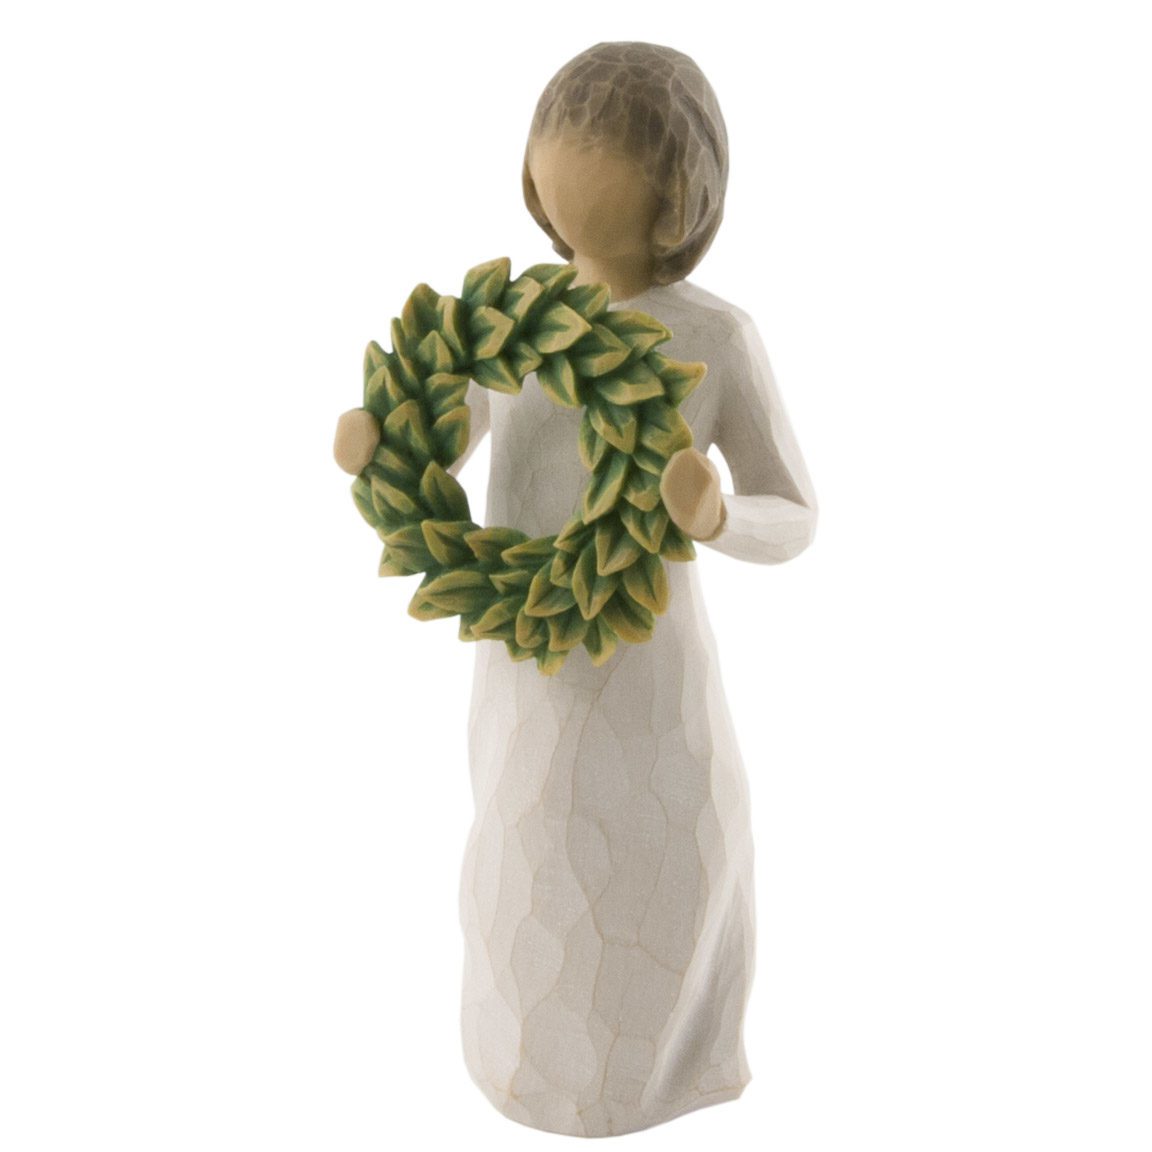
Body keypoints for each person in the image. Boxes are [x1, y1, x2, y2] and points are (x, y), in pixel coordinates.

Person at [335, 41, 817, 1137]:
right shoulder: (518, 320)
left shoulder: (715, 338)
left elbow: (795, 512)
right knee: (524, 856)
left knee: (658, 863)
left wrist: (718, 515)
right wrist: (390, 447)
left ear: (679, 198)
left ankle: (668, 1065)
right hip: (523, 660)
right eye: (557, 179)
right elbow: (451, 429)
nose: (572, 219)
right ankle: (523, 1061)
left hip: (649, 677)